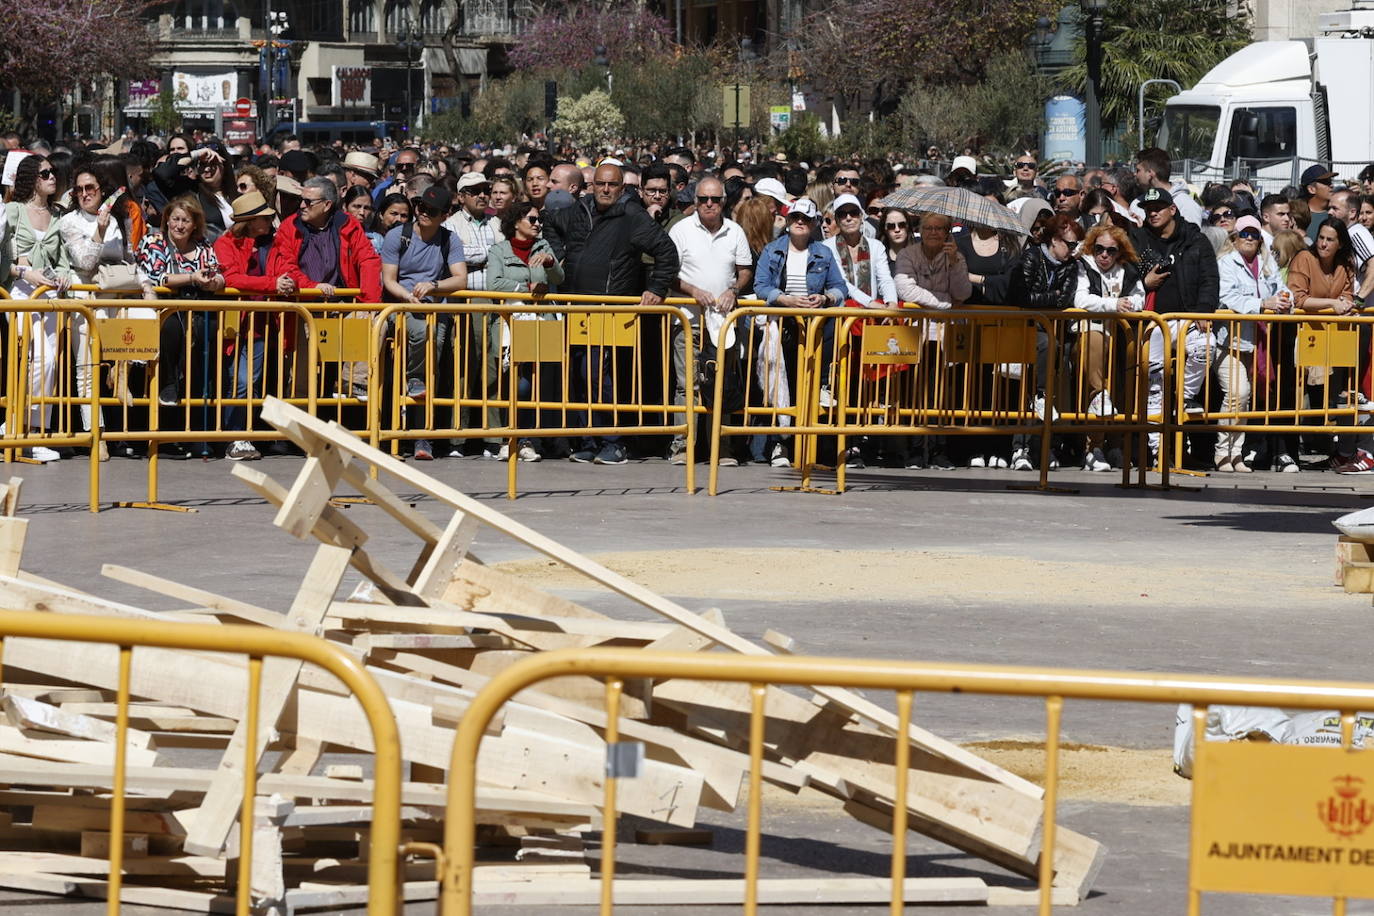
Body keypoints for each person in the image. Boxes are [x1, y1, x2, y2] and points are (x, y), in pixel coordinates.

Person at [541, 162, 679, 466]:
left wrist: (656, 287)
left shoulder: (632, 215)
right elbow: (549, 220)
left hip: (612, 310)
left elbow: (666, 252)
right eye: (600, 184)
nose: (605, 190)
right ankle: (588, 441)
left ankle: (613, 442)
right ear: (592, 186)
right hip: (576, 309)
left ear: (622, 188)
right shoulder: (579, 210)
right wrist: (554, 252)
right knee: (578, 376)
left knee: (598, 376)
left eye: (612, 185)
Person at [269, 176, 383, 400]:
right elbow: (285, 266)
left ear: (327, 205)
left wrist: (370, 305)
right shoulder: (289, 227)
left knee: (377, 321)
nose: (302, 205)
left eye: (308, 202)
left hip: (342, 305)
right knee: (301, 380)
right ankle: (295, 431)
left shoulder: (347, 223)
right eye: (302, 200)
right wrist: (313, 287)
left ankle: (352, 382)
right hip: (304, 307)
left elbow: (369, 260)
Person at [752, 198, 846, 468]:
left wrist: (825, 298)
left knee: (814, 387)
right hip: (783, 328)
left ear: (815, 223)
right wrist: (784, 300)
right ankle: (781, 443)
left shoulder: (824, 253)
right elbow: (761, 286)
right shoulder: (772, 250)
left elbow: (840, 288)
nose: (800, 222)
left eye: (806, 219)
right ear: (788, 221)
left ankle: (814, 447)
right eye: (795, 218)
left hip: (816, 330)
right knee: (783, 386)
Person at [669, 175, 754, 465]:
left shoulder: (735, 231)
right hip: (688, 320)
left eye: (714, 200)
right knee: (686, 385)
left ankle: (722, 447)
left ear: (723, 202)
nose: (709, 204)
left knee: (721, 383)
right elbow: (668, 273)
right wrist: (693, 290)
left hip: (723, 322)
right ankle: (683, 446)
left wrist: (733, 290)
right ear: (695, 201)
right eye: (703, 199)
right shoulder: (680, 230)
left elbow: (745, 270)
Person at [1130, 186, 1220, 461]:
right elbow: (1126, 277)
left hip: (1187, 318)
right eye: (1148, 209)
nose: (1153, 213)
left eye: (1158, 208)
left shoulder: (1196, 240)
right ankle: (1160, 452)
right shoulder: (1138, 239)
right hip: (1151, 321)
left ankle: (1182, 399)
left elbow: (1210, 280)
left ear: (1173, 210)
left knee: (1206, 346)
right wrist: (1144, 284)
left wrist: (1204, 311)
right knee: (1153, 382)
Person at [380, 185, 468, 462]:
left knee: (434, 364)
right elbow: (389, 280)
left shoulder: (449, 240)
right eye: (420, 207)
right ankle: (392, 428)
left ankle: (423, 436)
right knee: (422, 337)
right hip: (401, 304)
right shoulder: (398, 236)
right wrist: (409, 297)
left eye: (431, 210)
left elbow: (460, 279)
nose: (423, 213)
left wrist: (433, 286)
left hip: (433, 306)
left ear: (444, 215)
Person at [135, 195, 226, 458]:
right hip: (163, 313)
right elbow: (155, 275)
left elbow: (217, 272)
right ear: (166, 220)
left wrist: (213, 282)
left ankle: (194, 435)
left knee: (201, 368)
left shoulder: (203, 245)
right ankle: (166, 401)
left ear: (195, 223)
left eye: (186, 220)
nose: (179, 225)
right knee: (170, 335)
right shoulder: (154, 241)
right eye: (175, 219)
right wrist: (191, 278)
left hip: (198, 312)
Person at [213, 191, 297, 461]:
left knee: (251, 380)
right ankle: (233, 436)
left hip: (262, 321)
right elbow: (232, 278)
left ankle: (241, 435)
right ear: (249, 221)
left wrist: (287, 281)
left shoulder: (272, 242)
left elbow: (285, 268)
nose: (269, 221)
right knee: (239, 380)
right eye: (263, 217)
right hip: (235, 320)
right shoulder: (226, 244)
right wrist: (273, 284)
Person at [1286, 219, 1371, 472]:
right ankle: (1285, 452)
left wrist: (1345, 304)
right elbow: (1297, 298)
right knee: (1294, 393)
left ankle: (1344, 451)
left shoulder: (1346, 263)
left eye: (1330, 239)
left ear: (1340, 243)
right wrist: (1331, 305)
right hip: (1303, 334)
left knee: (1344, 392)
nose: (1323, 243)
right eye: (1321, 237)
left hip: (1338, 336)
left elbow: (1346, 293)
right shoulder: (1304, 258)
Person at [6, 155, 74, 460]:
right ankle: (18, 424)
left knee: (49, 364)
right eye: (45, 173)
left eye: (53, 173)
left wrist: (63, 276)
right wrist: (21, 270)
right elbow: (1, 259)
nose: (52, 178)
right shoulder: (12, 211)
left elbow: (62, 261)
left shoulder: (57, 216)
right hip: (19, 293)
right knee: (38, 361)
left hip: (47, 294)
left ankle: (34, 433)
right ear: (32, 178)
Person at [1006, 213, 1084, 470]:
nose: (1072, 250)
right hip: (1026, 332)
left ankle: (1044, 447)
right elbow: (1022, 297)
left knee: (1053, 394)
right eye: (1069, 244)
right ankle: (1021, 448)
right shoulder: (1031, 257)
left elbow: (1065, 300)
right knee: (1027, 395)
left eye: (1076, 245)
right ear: (1053, 239)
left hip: (1053, 336)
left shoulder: (1071, 265)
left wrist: (1048, 297)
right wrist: (1052, 296)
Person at [488, 201, 564, 463]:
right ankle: (507, 438)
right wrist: (525, 287)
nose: (537, 224)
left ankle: (528, 439)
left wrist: (551, 262)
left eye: (538, 220)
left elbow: (559, 278)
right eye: (532, 219)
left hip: (540, 321)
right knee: (512, 383)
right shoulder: (499, 250)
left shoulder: (543, 246)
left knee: (533, 383)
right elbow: (494, 283)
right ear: (516, 222)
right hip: (510, 323)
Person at [1215, 215, 1289, 473]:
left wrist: (1284, 299)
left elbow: (1281, 288)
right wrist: (1262, 304)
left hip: (1257, 343)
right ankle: (1223, 453)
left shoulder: (1266, 263)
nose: (1249, 238)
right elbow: (1227, 296)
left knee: (1242, 400)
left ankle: (1236, 455)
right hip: (1229, 342)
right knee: (1238, 394)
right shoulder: (1226, 262)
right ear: (1234, 236)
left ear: (1260, 240)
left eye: (1254, 234)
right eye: (1244, 233)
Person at [1072, 224, 1144, 471]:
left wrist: (1128, 304)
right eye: (1099, 249)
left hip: (1121, 340)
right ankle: (1093, 447)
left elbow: (1139, 297)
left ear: (1119, 252)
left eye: (1111, 251)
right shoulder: (1083, 266)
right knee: (1098, 394)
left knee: (1122, 391)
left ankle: (1114, 445)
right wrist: (1113, 304)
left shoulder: (1128, 271)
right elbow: (1079, 299)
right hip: (1088, 335)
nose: (1104, 255)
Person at [445, 171, 502, 459]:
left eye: (485, 189)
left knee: (494, 370)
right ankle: (459, 438)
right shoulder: (450, 224)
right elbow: (454, 255)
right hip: (466, 303)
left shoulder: (497, 222)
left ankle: (494, 437)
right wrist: (487, 254)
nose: (482, 194)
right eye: (474, 190)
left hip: (497, 303)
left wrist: (477, 255)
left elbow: (504, 254)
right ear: (461, 197)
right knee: (464, 370)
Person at [1133, 147, 1204, 227]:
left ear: (1150, 173)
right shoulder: (1136, 204)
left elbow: (1192, 238)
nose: (1135, 174)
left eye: (1138, 170)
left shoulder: (1186, 205)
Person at [1301, 164, 1336, 242]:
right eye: (1325, 182)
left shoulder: (1336, 213)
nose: (1331, 185)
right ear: (1311, 189)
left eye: (1330, 181)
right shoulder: (1298, 216)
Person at [343, 186, 382, 252]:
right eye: (357, 206)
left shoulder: (377, 240)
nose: (362, 212)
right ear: (345, 207)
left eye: (366, 208)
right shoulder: (334, 235)